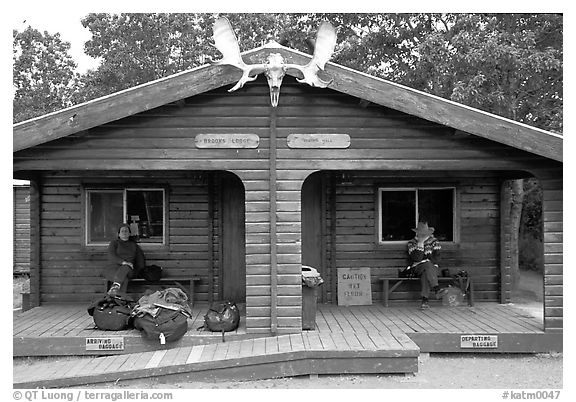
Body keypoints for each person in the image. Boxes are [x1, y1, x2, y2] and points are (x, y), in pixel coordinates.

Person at [407, 221, 447, 309]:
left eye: (425, 233)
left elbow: (437, 258)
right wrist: (420, 244)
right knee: (427, 265)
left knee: (426, 272)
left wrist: (426, 260)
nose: (423, 235)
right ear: (417, 233)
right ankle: (436, 289)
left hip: (431, 268)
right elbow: (416, 258)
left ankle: (425, 301)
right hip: (417, 268)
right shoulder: (412, 243)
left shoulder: (434, 242)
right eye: (421, 233)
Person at [105, 223, 146, 296]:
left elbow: (141, 260)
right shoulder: (114, 243)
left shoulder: (134, 245)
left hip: (129, 269)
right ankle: (118, 298)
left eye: (126, 231)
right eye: (122, 231)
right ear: (119, 234)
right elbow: (112, 256)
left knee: (126, 268)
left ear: (129, 233)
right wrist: (123, 262)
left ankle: (115, 288)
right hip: (114, 268)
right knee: (124, 279)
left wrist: (138, 271)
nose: (124, 232)